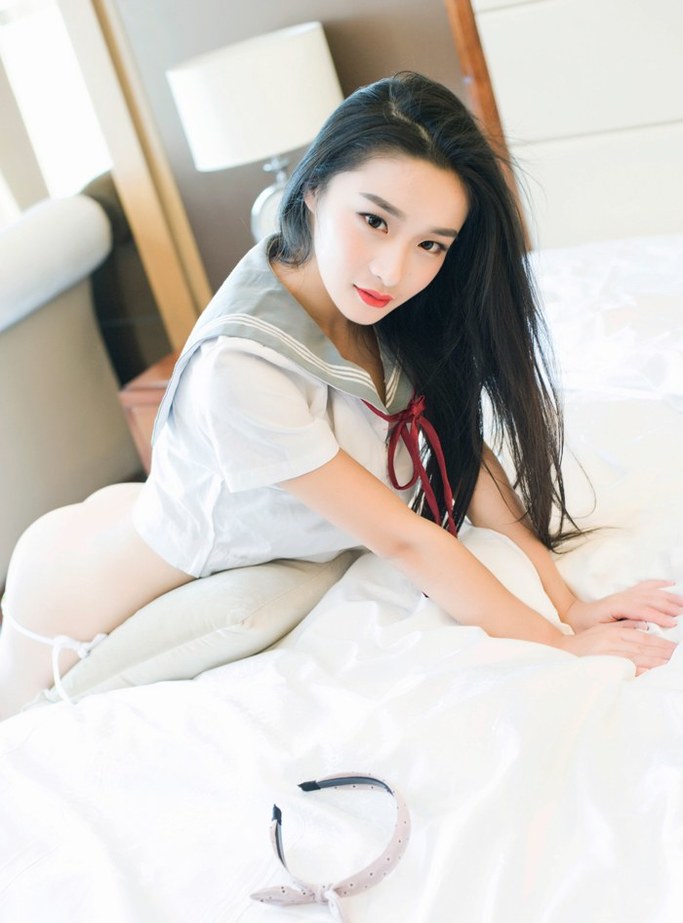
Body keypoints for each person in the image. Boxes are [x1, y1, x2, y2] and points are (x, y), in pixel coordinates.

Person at [1, 71, 680, 720]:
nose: (392, 270)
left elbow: (462, 457)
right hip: (82, 601)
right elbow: (406, 541)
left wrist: (569, 604)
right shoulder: (242, 367)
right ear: (313, 188)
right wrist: (556, 644)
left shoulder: (378, 311)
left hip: (159, 526)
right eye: (375, 221)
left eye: (431, 243)